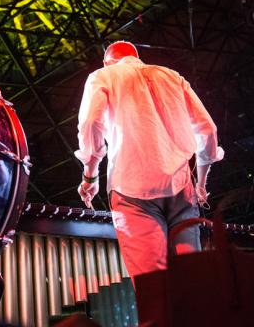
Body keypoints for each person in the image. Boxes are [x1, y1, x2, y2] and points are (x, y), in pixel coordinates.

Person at [75, 41, 224, 282]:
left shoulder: (102, 76)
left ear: (107, 62)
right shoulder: (172, 76)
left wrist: (90, 177)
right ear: (137, 57)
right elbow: (208, 130)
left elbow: (91, 123)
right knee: (193, 282)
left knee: (153, 286)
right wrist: (201, 184)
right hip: (181, 186)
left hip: (131, 190)